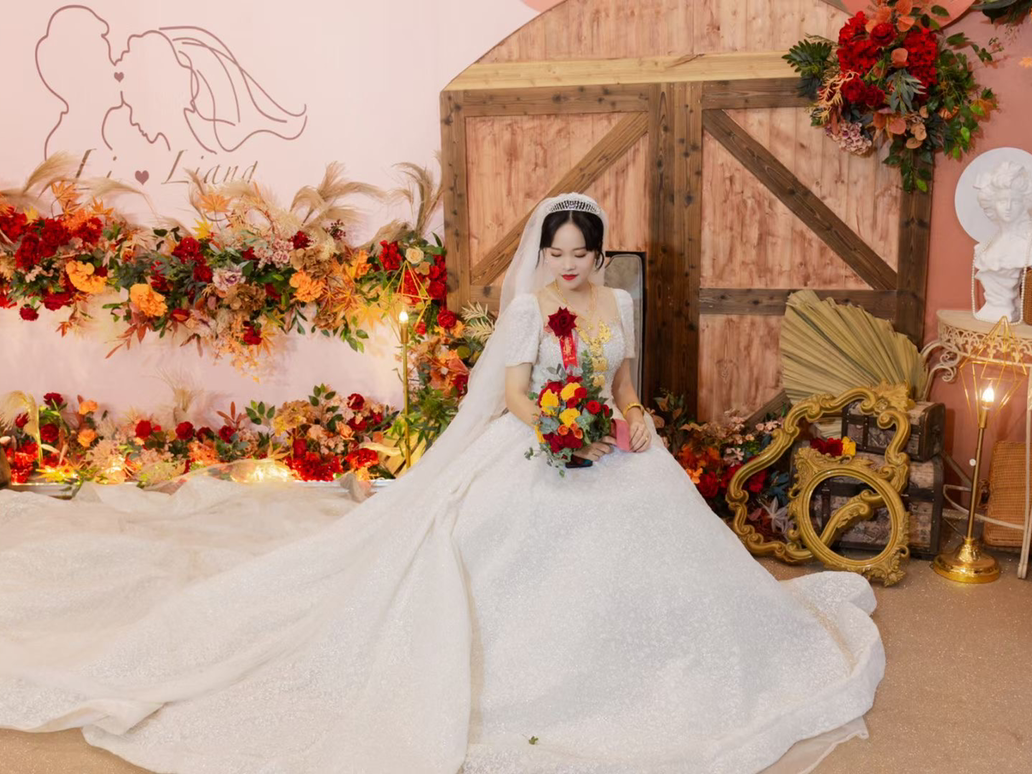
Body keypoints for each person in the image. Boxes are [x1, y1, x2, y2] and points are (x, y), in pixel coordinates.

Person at [0, 193, 884, 774]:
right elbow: (513, 394)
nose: (569, 265)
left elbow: (621, 381)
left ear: (598, 254)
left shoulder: (615, 305)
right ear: (545, 252)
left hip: (612, 443)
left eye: (581, 254)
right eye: (558, 252)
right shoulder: (530, 309)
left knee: (662, 530)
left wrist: (633, 415)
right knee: (502, 547)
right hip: (540, 440)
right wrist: (558, 430)